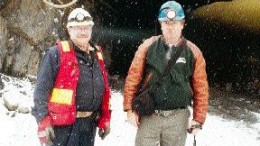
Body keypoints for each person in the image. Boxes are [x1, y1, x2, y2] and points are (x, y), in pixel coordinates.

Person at [123, 1, 209, 146]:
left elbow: (201, 88)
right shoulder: (148, 46)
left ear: (182, 24)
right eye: (166, 23)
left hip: (178, 118)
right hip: (150, 115)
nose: (170, 28)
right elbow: (133, 78)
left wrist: (198, 119)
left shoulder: (193, 52)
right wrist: (129, 109)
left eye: (174, 23)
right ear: (161, 25)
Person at [32, 8, 111, 146]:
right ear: (69, 30)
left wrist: (105, 117)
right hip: (63, 127)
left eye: (86, 27)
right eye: (77, 28)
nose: (83, 31)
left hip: (89, 126)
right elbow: (41, 91)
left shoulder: (97, 55)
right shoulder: (56, 53)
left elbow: (104, 89)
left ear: (91, 29)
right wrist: (43, 121)